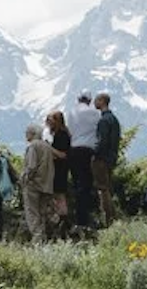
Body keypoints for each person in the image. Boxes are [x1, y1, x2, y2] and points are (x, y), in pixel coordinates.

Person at [66, 90, 98, 230]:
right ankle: (86, 218)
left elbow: (70, 131)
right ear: (90, 100)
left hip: (73, 150)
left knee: (77, 183)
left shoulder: (71, 113)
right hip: (88, 151)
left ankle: (78, 218)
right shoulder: (95, 114)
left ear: (78, 99)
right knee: (87, 184)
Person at [21, 124, 55, 243]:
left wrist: (25, 179)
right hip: (46, 185)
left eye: (27, 132)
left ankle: (37, 240)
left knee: (32, 213)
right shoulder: (47, 146)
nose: (26, 134)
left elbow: (31, 166)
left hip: (33, 185)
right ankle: (44, 239)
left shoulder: (32, 146)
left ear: (32, 134)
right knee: (42, 214)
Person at [93, 93, 120, 226]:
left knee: (102, 189)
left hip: (101, 159)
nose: (94, 102)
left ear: (102, 101)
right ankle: (112, 216)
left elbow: (101, 141)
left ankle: (108, 218)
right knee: (108, 187)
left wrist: (94, 153)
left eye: (97, 100)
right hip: (111, 157)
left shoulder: (103, 121)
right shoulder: (114, 119)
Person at [45, 111, 71, 234]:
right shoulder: (61, 134)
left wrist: (48, 147)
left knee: (59, 196)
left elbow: (62, 154)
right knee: (58, 195)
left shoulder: (61, 135)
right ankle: (62, 221)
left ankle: (63, 222)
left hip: (59, 170)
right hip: (60, 169)